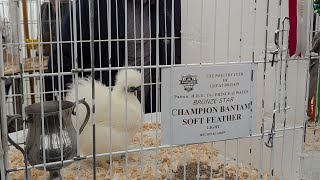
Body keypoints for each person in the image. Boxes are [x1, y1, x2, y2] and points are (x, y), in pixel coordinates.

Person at [44, 0, 181, 114]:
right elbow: (61, 60)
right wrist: (81, 106)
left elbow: (176, 54)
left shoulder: (168, 6)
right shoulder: (92, 6)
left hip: (152, 113)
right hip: (103, 116)